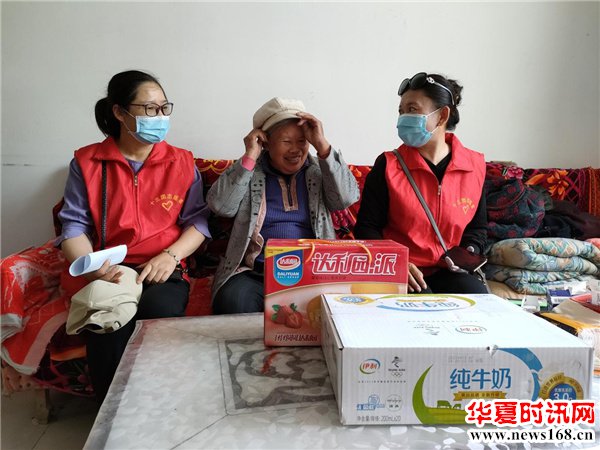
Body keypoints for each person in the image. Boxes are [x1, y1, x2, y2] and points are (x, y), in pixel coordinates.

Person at [57, 70, 211, 401]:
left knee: (161, 314)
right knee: (107, 323)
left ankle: (158, 408)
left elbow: (197, 222)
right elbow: (73, 225)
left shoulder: (182, 162)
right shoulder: (88, 162)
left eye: (164, 108)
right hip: (111, 268)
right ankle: (110, 416)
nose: (160, 117)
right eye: (150, 109)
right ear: (119, 112)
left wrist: (171, 256)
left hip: (164, 267)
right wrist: (92, 267)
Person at [207, 97, 360, 314]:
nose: (296, 150)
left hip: (312, 272)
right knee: (234, 302)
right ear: (266, 143)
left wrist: (322, 145)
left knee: (333, 310)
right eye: (287, 141)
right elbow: (220, 206)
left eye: (302, 141)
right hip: (255, 271)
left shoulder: (319, 171)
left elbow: (346, 198)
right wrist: (250, 155)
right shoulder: (250, 172)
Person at [354, 72, 488, 294]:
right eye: (401, 111)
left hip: (449, 271)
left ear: (442, 116)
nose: (403, 118)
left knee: (478, 299)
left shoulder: (474, 166)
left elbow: (478, 228)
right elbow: (366, 228)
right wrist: (395, 262)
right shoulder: (388, 165)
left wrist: (467, 253)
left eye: (412, 109)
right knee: (419, 305)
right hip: (402, 270)